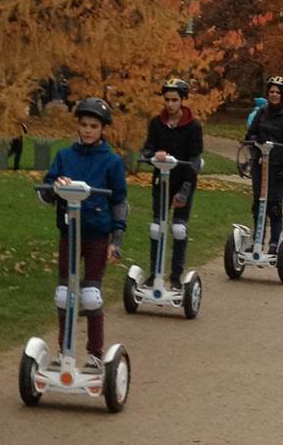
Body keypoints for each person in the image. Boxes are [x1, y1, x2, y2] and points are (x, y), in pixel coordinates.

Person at [41, 97, 128, 369]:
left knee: (91, 296)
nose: (88, 130)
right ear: (77, 126)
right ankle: (64, 351)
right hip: (70, 233)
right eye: (84, 125)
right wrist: (55, 187)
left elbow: (119, 201)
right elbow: (46, 192)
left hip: (97, 236)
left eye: (94, 126)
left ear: (102, 129)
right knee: (64, 294)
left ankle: (94, 353)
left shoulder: (112, 161)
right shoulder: (65, 156)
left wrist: (117, 238)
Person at [140, 77, 204, 282]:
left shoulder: (193, 126)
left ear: (182, 100)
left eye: (174, 100)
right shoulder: (156, 123)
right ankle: (154, 273)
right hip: (162, 180)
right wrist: (153, 155)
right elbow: (147, 149)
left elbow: (194, 160)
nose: (169, 104)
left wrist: (184, 190)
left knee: (178, 229)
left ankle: (176, 275)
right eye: (167, 99)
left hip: (184, 180)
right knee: (157, 228)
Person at [243, 75, 283, 249]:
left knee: (273, 204)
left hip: (278, 165)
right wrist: (255, 139)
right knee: (258, 203)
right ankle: (257, 239)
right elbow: (250, 134)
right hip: (260, 162)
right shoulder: (262, 111)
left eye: (277, 92)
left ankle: (274, 241)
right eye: (271, 92)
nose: (274, 95)